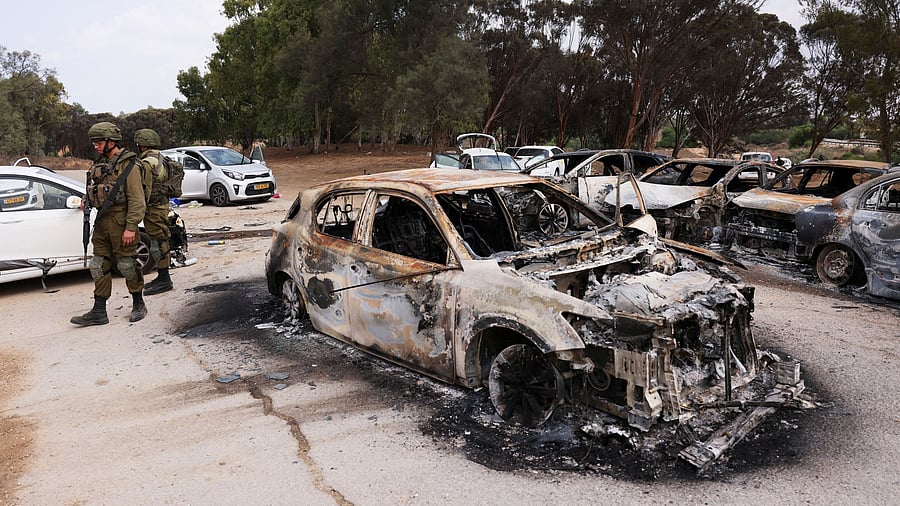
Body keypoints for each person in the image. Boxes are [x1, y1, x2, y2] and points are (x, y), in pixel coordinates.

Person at [71, 122, 148, 326]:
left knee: (127, 264)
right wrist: (87, 200)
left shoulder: (128, 165)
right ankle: (99, 311)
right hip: (102, 222)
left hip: (122, 222)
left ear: (111, 141)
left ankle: (139, 303)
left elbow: (137, 200)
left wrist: (131, 227)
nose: (95, 145)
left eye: (99, 141)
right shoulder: (99, 164)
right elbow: (96, 189)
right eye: (93, 142)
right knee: (98, 265)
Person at [134, 128, 174, 295]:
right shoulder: (161, 157)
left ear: (142, 145)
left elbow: (146, 189)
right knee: (161, 239)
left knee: (158, 243)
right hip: (162, 205)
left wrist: (139, 208)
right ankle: (162, 277)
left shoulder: (148, 162)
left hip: (154, 208)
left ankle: (164, 279)